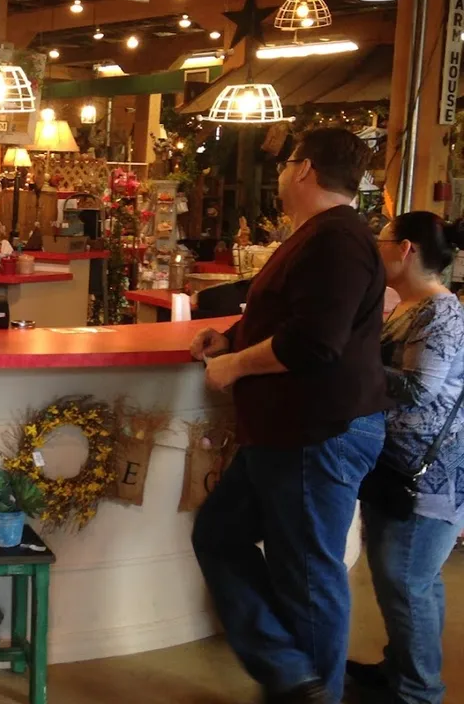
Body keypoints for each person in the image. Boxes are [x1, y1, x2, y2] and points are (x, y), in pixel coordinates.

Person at [188, 127, 389, 704]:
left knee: (306, 574)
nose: (279, 174)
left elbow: (313, 342)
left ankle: (308, 690)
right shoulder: (320, 236)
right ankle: (291, 674)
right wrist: (231, 339)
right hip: (286, 433)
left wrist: (234, 367)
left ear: (304, 169)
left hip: (315, 431)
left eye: (285, 163)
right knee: (220, 535)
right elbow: (293, 317)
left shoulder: (337, 240)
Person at [347, 212, 464, 704]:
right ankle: (404, 670)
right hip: (401, 465)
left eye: (382, 241)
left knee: (405, 580)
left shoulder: (440, 312)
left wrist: (351, 361)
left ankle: (418, 692)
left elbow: (419, 389)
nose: (376, 250)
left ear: (406, 249)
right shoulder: (411, 305)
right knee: (414, 579)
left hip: (428, 474)